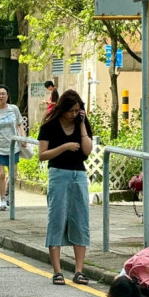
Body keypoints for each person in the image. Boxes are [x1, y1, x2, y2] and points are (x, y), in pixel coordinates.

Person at [37, 89, 92, 285]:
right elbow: (42, 155)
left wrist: (83, 125)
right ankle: (57, 270)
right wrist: (64, 147)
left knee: (80, 219)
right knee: (57, 218)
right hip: (58, 174)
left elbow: (87, 150)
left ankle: (79, 270)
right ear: (62, 109)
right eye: (71, 111)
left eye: (78, 110)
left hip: (79, 174)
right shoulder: (50, 126)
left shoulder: (81, 124)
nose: (74, 114)